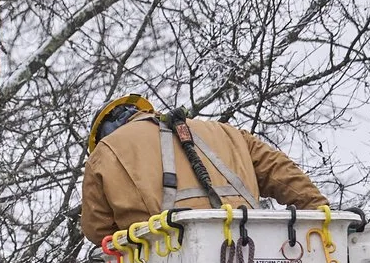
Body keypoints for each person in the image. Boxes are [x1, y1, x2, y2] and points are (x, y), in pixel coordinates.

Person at [78, 94, 331, 242]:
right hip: (255, 249)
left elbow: (99, 232)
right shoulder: (227, 133)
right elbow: (282, 173)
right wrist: (326, 219)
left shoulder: (104, 154)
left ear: (102, 134)